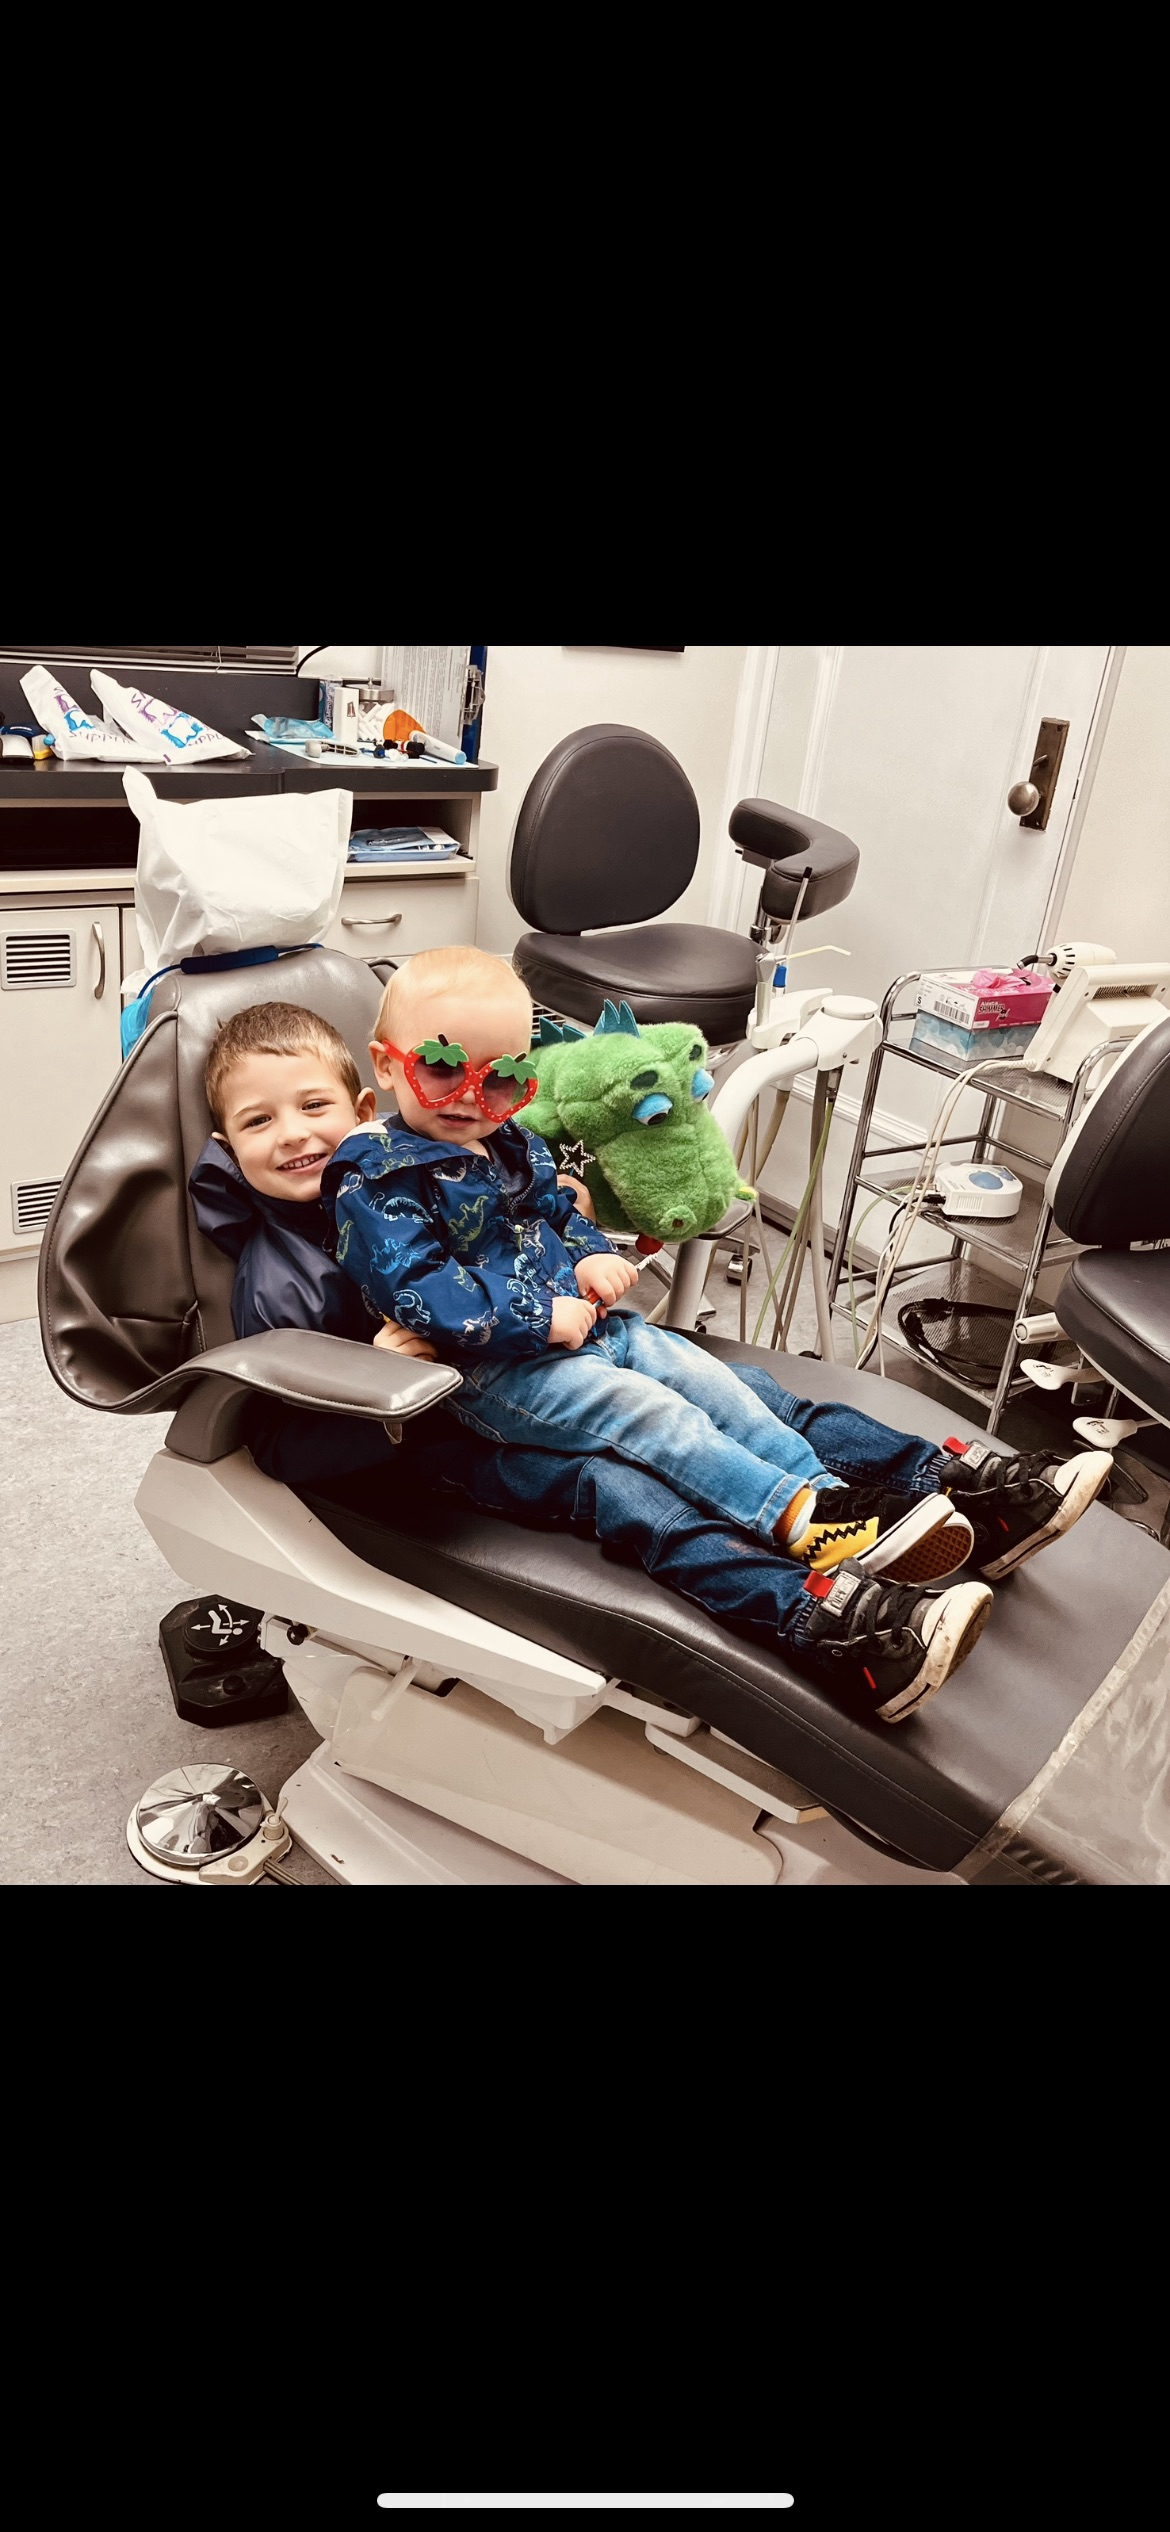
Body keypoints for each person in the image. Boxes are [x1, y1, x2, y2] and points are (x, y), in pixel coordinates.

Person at [188, 982, 1112, 1726]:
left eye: (311, 1105)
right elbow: (279, 1443)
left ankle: (958, 1500)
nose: (296, 1134)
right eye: (261, 1123)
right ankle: (829, 1622)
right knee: (629, 1480)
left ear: (360, 1101)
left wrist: (581, 1243)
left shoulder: (448, 1150)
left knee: (744, 1396)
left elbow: (529, 1199)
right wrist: (382, 1392)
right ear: (229, 1144)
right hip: (449, 1435)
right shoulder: (280, 1280)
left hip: (548, 1353)